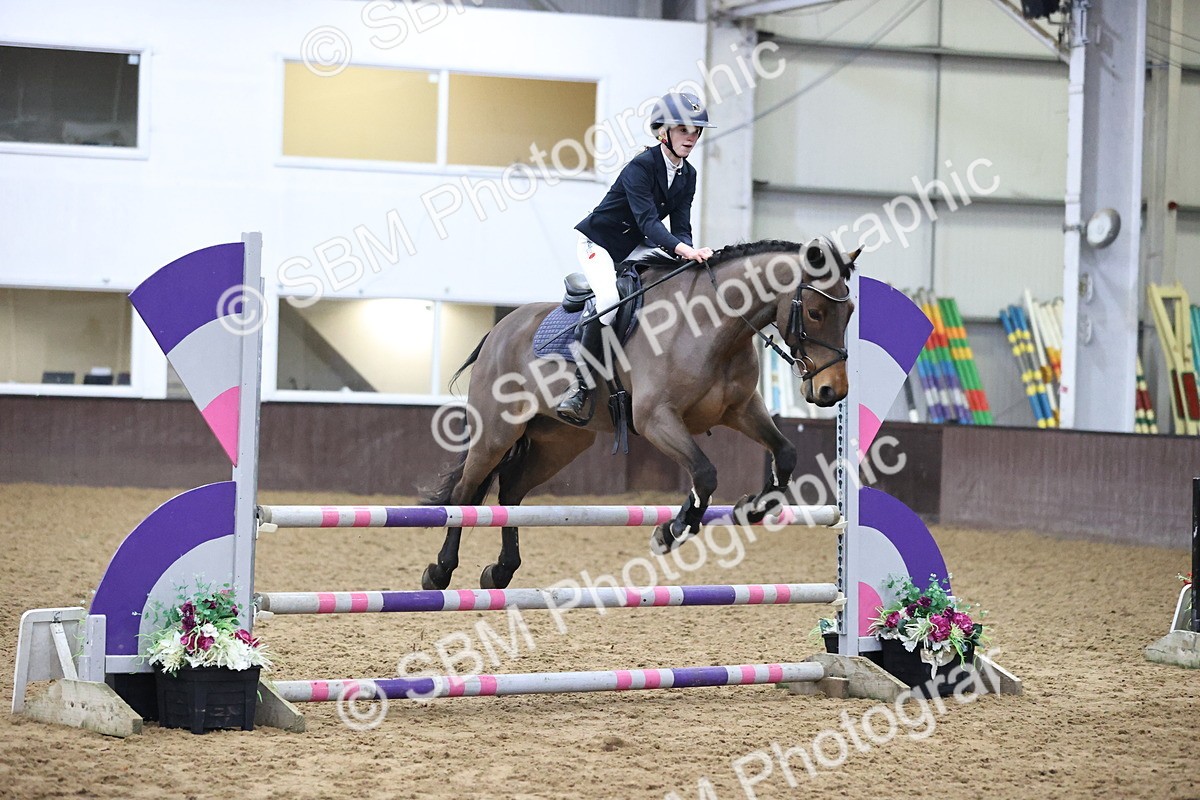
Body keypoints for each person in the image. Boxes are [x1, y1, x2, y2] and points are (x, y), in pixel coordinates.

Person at [556, 91, 715, 423]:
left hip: (639, 245)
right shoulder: (641, 167)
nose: (691, 137)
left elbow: (682, 226)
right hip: (600, 244)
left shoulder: (689, 175)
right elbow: (649, 221)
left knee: (674, 282)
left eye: (696, 130)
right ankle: (581, 389)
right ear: (663, 132)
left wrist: (686, 255)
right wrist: (683, 250)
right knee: (609, 302)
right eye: (684, 129)